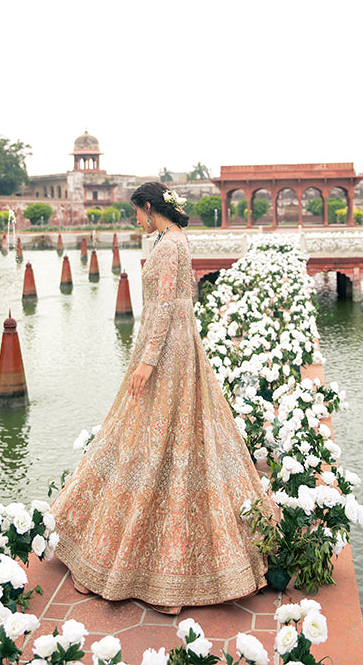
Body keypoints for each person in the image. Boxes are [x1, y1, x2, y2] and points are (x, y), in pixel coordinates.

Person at [51, 182, 270, 613]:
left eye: (138, 213)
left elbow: (167, 305)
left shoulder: (170, 246)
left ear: (150, 209)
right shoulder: (168, 239)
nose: (136, 220)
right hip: (169, 342)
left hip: (168, 348)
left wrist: (147, 361)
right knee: (165, 431)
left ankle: (157, 569)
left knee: (160, 432)